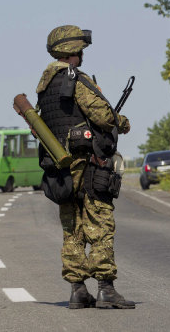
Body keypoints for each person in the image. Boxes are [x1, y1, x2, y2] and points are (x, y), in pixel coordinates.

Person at [36, 25, 135, 308]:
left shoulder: (44, 84)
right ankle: (106, 288)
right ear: (73, 50)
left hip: (60, 169)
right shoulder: (74, 79)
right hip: (88, 165)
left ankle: (77, 290)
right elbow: (103, 115)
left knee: (72, 227)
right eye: (81, 50)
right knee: (100, 223)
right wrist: (123, 122)